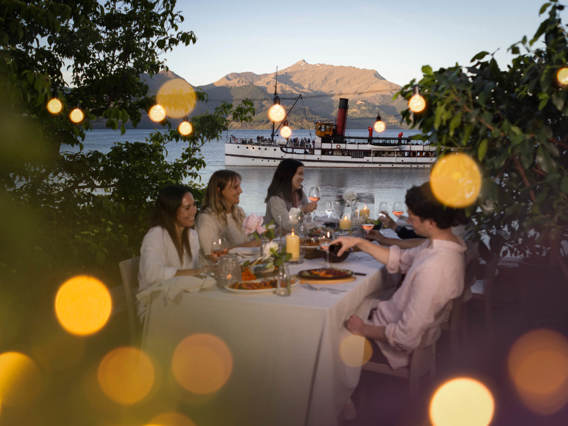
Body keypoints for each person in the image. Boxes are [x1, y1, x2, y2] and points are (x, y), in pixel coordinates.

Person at [332, 181, 467, 370]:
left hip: (389, 348)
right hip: (387, 319)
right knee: (348, 307)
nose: (409, 221)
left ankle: (340, 397)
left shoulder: (435, 267)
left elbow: (406, 337)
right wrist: (358, 242)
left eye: (412, 217)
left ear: (431, 222)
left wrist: (362, 329)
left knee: (327, 337)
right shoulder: (443, 246)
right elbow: (400, 259)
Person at [138, 184, 211, 291]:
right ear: (171, 211)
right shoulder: (155, 235)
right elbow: (152, 274)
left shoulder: (191, 235)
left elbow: (196, 266)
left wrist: (213, 266)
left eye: (194, 205)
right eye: (187, 208)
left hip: (183, 294)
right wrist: (198, 271)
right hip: (157, 299)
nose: (194, 211)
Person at [197, 169, 256, 257]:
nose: (240, 191)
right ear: (219, 190)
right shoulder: (206, 219)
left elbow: (249, 239)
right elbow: (211, 254)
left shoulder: (238, 212)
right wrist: (250, 245)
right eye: (235, 187)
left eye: (239, 186)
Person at [264, 159, 317, 233]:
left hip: (298, 238)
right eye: (300, 174)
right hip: (276, 241)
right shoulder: (275, 198)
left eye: (302, 174)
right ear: (288, 175)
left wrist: (315, 229)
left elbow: (307, 220)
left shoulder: (300, 193)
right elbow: (287, 225)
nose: (302, 178)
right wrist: (303, 210)